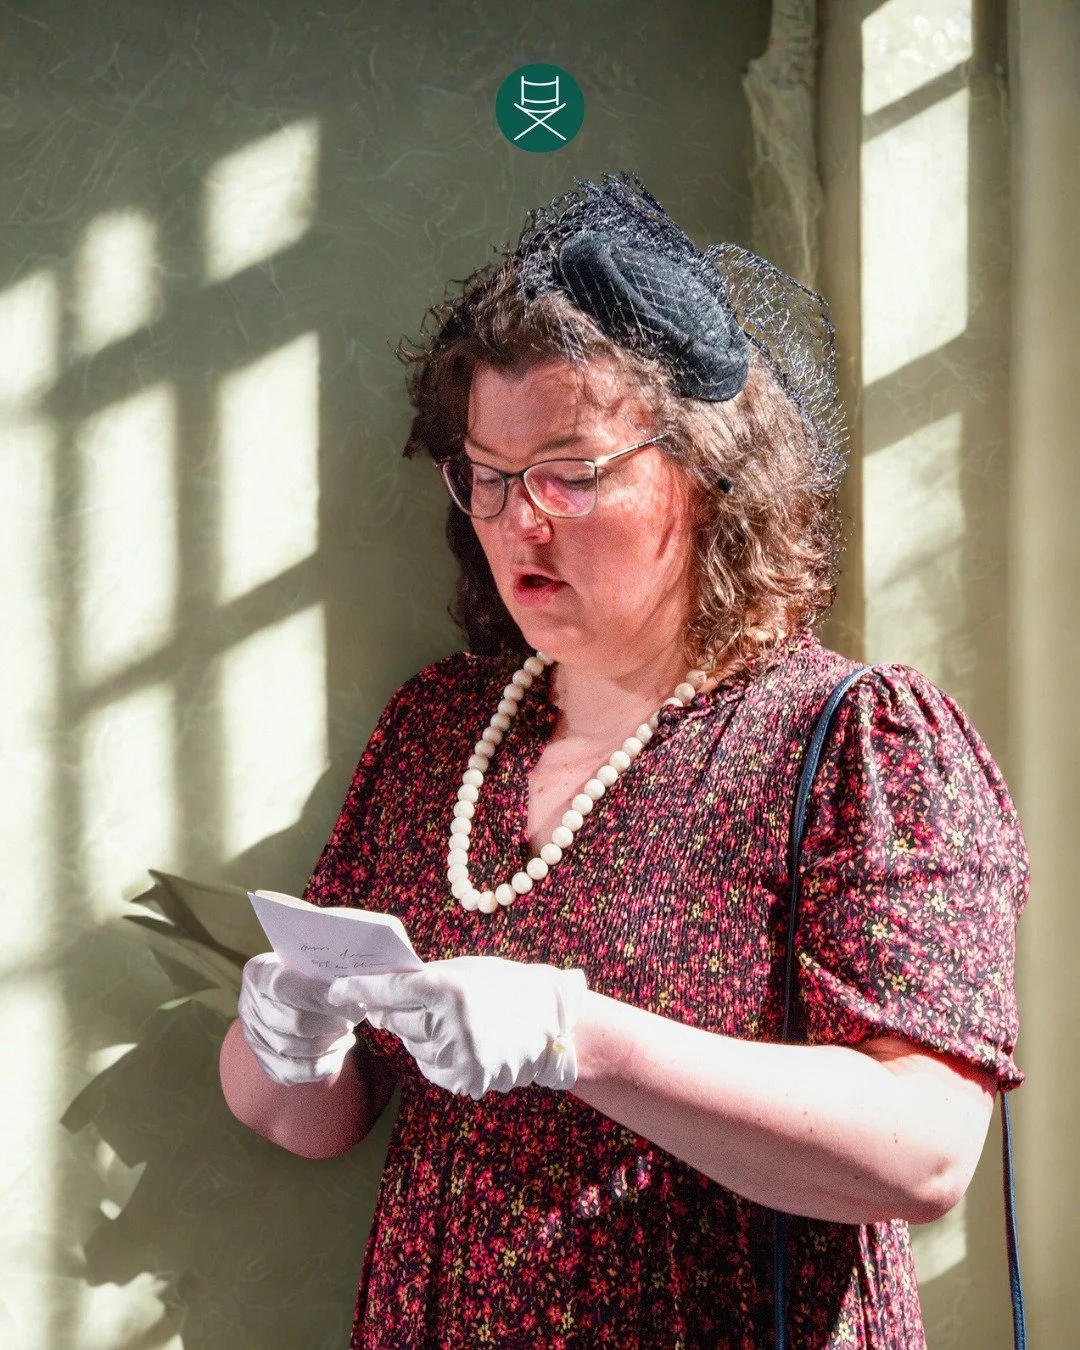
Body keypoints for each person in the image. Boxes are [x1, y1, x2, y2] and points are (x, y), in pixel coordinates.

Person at [218, 173, 1028, 1348]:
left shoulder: (855, 739)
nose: (516, 522)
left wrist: (579, 1037)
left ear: (710, 475)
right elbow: (318, 1125)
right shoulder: (439, 728)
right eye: (486, 475)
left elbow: (923, 1152)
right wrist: (280, 1039)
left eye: (568, 470)